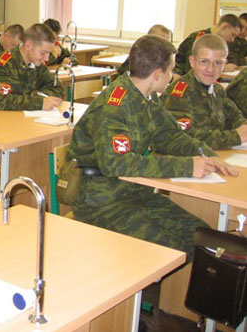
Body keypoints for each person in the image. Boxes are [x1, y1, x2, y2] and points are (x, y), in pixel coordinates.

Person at [65, 35, 237, 257]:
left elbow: (170, 136)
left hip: (135, 191)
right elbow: (117, 164)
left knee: (201, 235)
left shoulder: (147, 97)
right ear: (157, 74)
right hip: (102, 201)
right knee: (178, 250)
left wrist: (207, 156)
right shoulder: (113, 107)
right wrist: (187, 167)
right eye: (171, 70)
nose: (172, 76)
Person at [161, 34, 247, 149]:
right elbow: (185, 138)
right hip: (187, 157)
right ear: (192, 61)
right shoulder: (179, 94)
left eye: (218, 63)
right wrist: (235, 137)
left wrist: (243, 127)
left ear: (225, 64)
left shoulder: (217, 90)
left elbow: (234, 116)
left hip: (215, 154)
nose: (210, 69)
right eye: (204, 62)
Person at [0, 23, 64, 112]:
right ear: (28, 46)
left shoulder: (36, 64)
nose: (47, 58)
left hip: (19, 114)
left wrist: (43, 98)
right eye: (43, 53)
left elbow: (56, 86)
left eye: (49, 53)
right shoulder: (4, 65)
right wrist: (39, 103)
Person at [174, 14, 241, 76]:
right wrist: (222, 67)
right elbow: (192, 67)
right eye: (232, 35)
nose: (232, 39)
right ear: (224, 27)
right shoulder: (199, 39)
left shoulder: (220, 42)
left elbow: (230, 57)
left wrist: (230, 64)